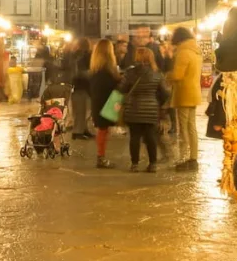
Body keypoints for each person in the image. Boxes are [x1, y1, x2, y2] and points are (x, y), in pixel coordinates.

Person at [119, 47, 168, 173]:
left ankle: (134, 164)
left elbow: (122, 89)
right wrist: (158, 104)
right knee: (151, 137)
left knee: (134, 137)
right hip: (151, 110)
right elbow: (165, 93)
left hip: (133, 109)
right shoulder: (157, 73)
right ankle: (152, 164)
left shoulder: (130, 73)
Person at [167, 26, 202, 172]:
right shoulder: (195, 51)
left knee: (183, 128)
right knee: (191, 127)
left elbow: (177, 75)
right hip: (194, 92)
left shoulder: (183, 52)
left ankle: (185, 158)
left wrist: (167, 76)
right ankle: (193, 158)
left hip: (184, 93)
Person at [89, 38, 121, 168]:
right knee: (103, 131)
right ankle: (100, 158)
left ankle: (101, 157)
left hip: (97, 102)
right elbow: (112, 85)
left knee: (103, 130)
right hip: (106, 103)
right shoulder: (107, 69)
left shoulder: (95, 69)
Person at [70, 37, 94, 140]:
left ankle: (83, 129)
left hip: (79, 85)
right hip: (83, 85)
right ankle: (78, 132)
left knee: (82, 110)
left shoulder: (77, 56)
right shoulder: (83, 56)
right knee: (82, 110)